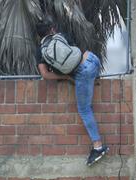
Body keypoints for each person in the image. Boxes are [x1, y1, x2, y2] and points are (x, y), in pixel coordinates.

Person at [36, 19, 109, 166]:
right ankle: (93, 79)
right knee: (86, 79)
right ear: (52, 29)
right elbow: (76, 54)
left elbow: (45, 74)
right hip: (93, 59)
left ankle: (98, 147)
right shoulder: (61, 36)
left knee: (84, 109)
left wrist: (65, 77)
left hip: (82, 73)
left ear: (39, 36)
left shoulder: (40, 51)